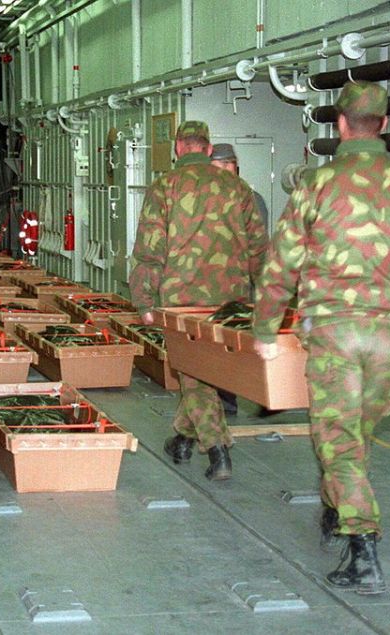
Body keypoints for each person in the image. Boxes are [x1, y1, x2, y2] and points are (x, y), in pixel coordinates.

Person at [251, 81, 390, 594]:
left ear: (339, 124)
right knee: (355, 435)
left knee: (338, 441)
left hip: (334, 333)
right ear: (384, 125)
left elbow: (282, 263)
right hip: (388, 335)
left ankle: (362, 549)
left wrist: (265, 327)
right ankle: (336, 507)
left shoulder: (316, 186)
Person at [129, 121, 267, 480]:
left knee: (193, 374)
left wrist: (144, 301)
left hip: (183, 300)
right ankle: (181, 439)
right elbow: (260, 251)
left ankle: (218, 451)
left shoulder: (164, 187)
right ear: (208, 150)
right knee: (204, 372)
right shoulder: (240, 189)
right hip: (232, 301)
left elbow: (149, 251)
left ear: (178, 148)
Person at [209, 142, 269, 417]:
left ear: (236, 167)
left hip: (241, 284)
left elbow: (258, 244)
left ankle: (260, 394)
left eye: (227, 164)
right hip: (221, 285)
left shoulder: (251, 200)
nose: (223, 170)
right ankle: (229, 397)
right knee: (225, 343)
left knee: (241, 341)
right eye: (218, 165)